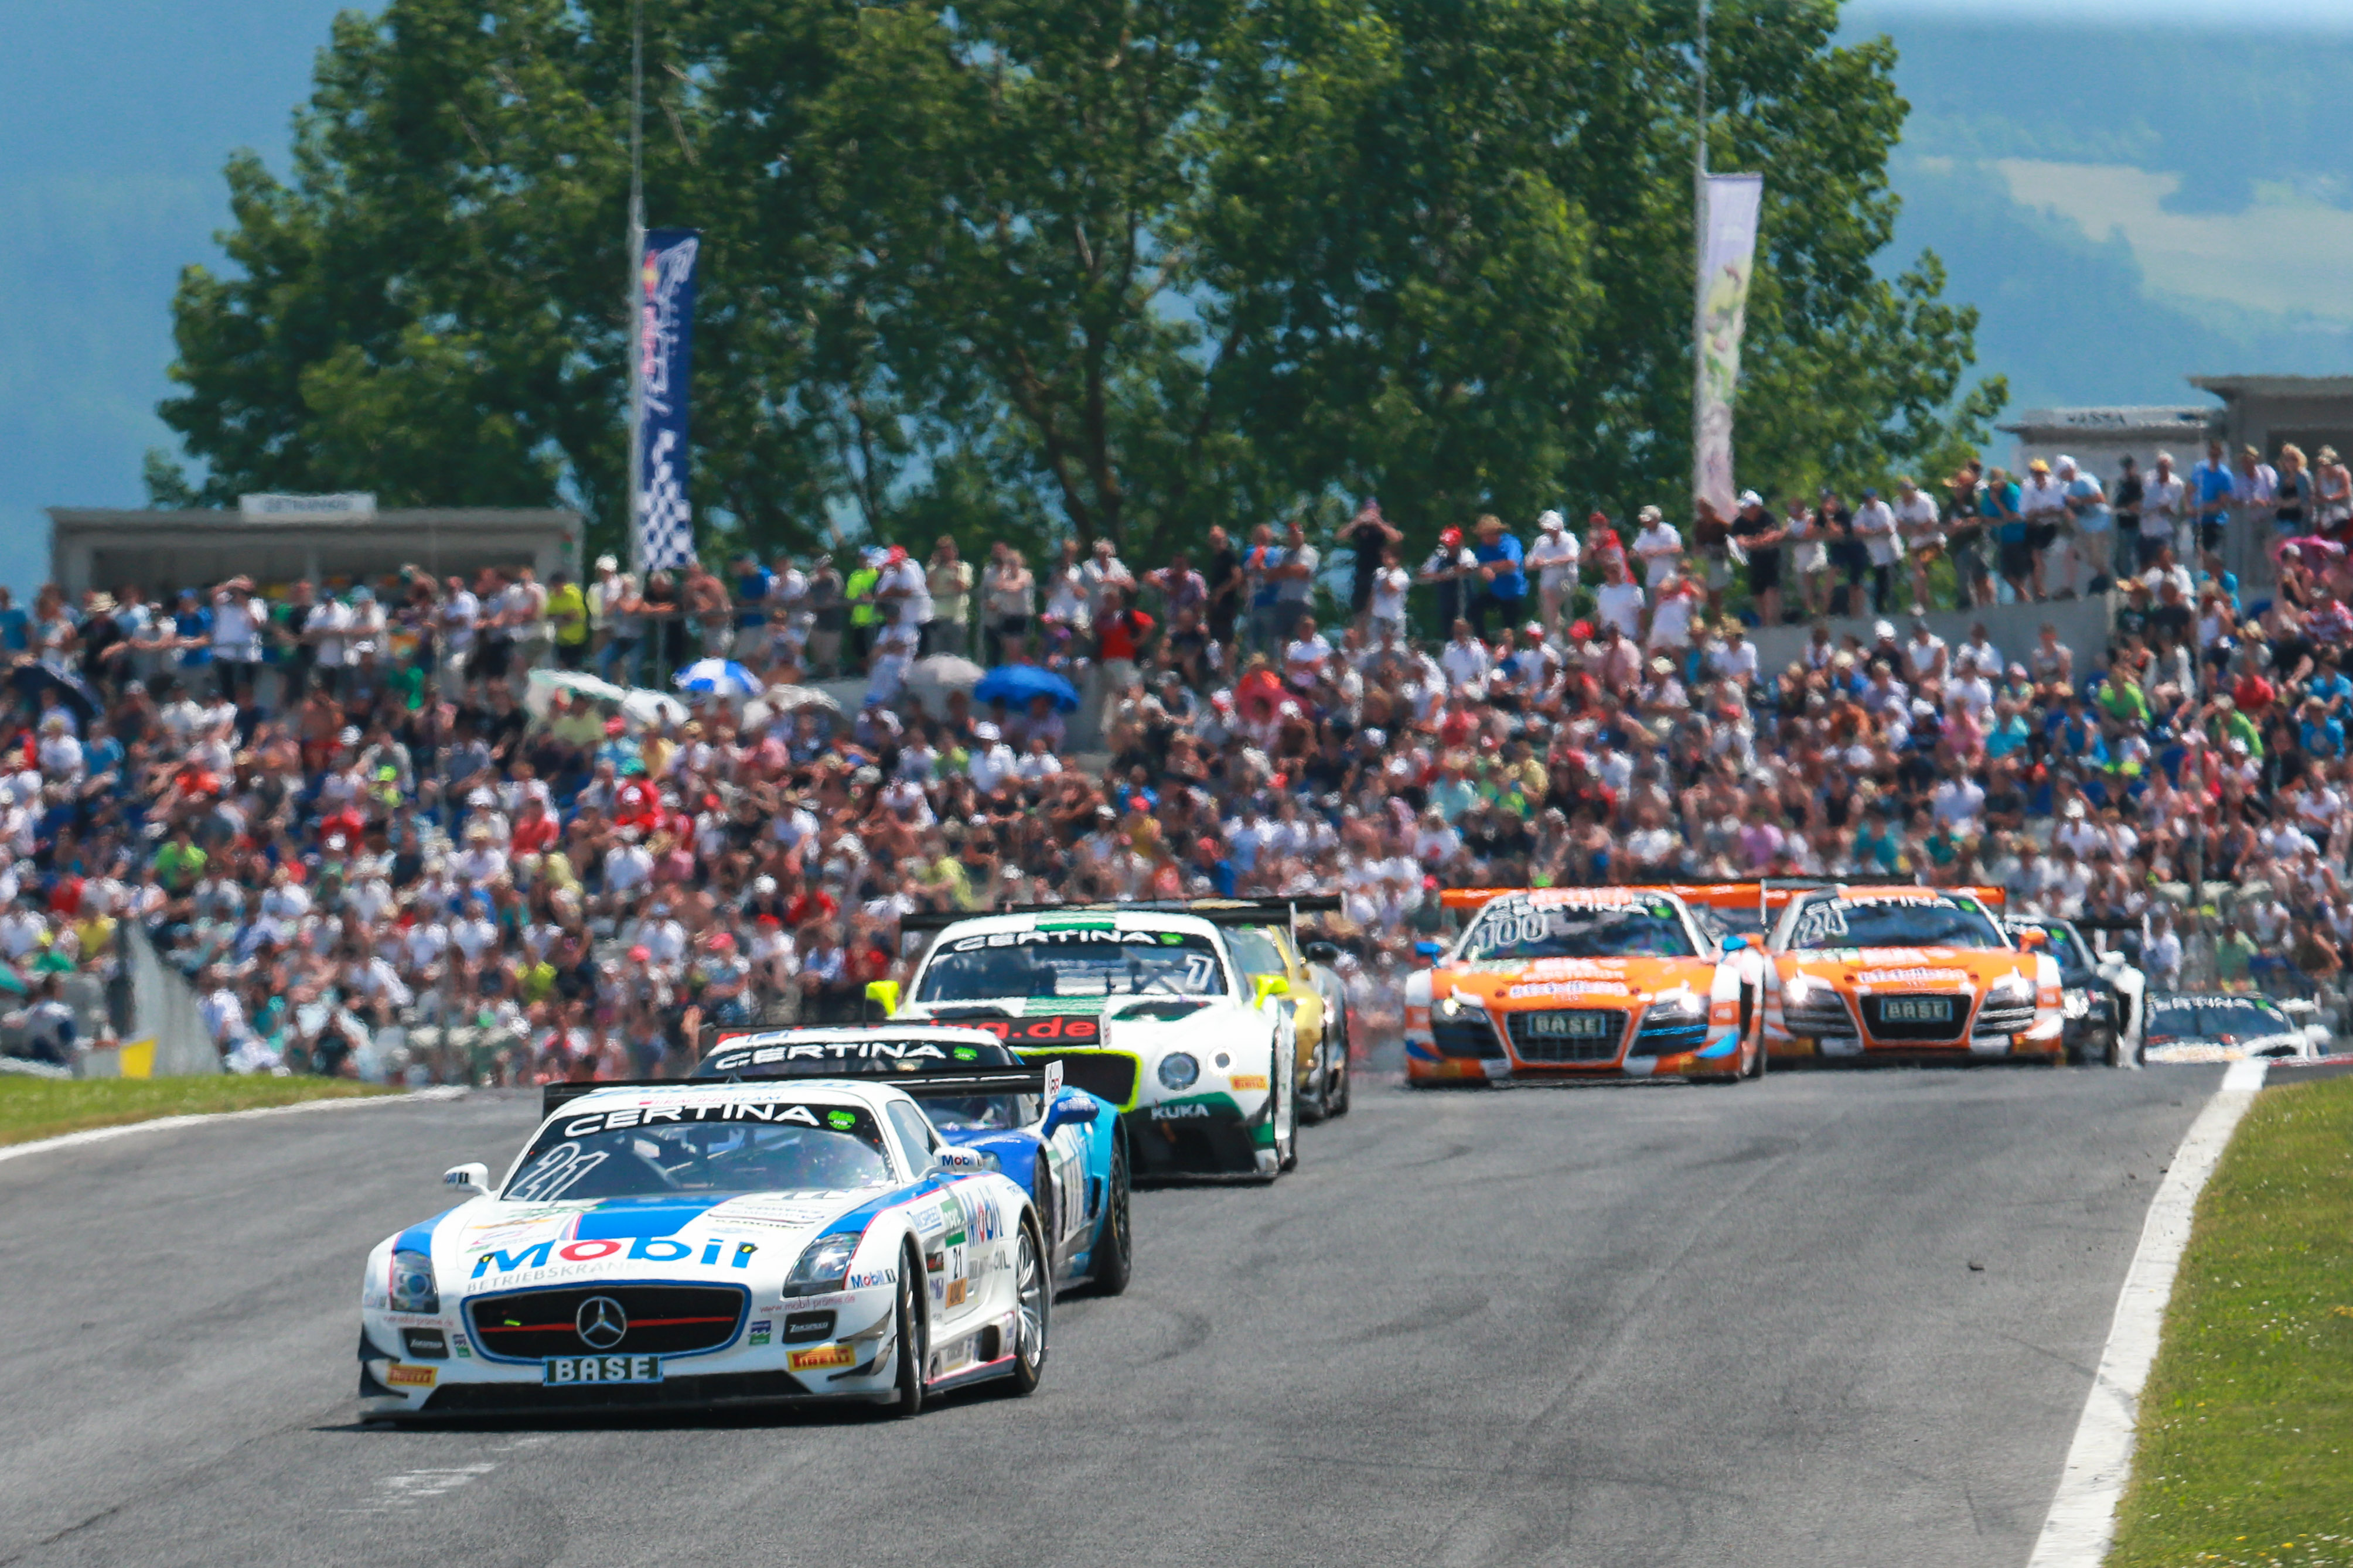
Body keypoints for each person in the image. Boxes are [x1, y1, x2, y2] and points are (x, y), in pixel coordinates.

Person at [1343, 501, 1402, 634]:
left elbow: (1396, 538)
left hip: (1379, 573)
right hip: (1362, 572)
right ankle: (1361, 638)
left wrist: (1378, 522)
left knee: (1376, 608)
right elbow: (1340, 536)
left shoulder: (1381, 528)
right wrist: (1356, 522)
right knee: (1360, 612)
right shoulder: (1360, 528)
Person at [2057, 455, 2111, 597]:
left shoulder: (2086, 480)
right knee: (2070, 554)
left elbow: (2101, 498)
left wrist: (2079, 501)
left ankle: (2104, 585)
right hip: (2083, 528)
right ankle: (2068, 588)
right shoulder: (2067, 488)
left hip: (2099, 526)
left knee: (2098, 560)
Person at [1728, 491, 1782, 627]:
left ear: (1756, 507)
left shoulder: (1767, 517)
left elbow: (1772, 536)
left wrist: (1753, 541)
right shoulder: (1740, 522)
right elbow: (1740, 540)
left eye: (1748, 507)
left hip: (1771, 559)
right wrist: (1756, 541)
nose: (1745, 510)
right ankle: (1764, 623)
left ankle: (1773, 622)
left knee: (1771, 590)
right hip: (1754, 560)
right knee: (1758, 592)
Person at [1467, 514, 1525, 640]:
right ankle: (1482, 640)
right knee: (1474, 607)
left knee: (1510, 628)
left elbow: (1512, 563)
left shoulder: (1511, 543)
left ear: (1494, 533)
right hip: (1496, 592)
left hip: (1513, 592)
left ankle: (1511, 648)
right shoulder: (1484, 548)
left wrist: (1490, 567)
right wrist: (1484, 570)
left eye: (1485, 535)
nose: (1483, 538)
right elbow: (1479, 566)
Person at [1525, 511, 1580, 641]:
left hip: (1566, 580)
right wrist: (1536, 563)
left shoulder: (1569, 540)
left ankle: (1558, 634)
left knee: (1552, 598)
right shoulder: (1542, 541)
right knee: (1548, 601)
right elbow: (1529, 563)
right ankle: (1553, 635)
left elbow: (1572, 557)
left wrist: (1548, 562)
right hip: (1547, 582)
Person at [2017, 459, 2066, 602]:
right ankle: (2038, 590)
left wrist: (2040, 512)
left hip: (2050, 526)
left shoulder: (2055, 486)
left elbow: (2058, 509)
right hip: (2034, 526)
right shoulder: (2028, 487)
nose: (2039, 477)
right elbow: (2026, 512)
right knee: (2033, 559)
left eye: (2042, 473)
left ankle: (2040, 589)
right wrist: (2043, 512)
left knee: (2037, 555)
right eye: (2036, 474)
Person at [1417, 527, 1476, 640]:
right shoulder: (1439, 556)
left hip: (1463, 600)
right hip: (1446, 601)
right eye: (1447, 544)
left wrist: (1449, 573)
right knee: (1447, 632)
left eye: (1453, 544)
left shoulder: (1466, 554)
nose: (1450, 547)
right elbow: (1422, 575)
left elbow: (1468, 567)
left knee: (1465, 630)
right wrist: (1439, 576)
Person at [1894, 477, 1942, 612]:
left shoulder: (1925, 502)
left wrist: (1912, 529)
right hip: (1916, 544)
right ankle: (1924, 604)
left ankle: (1919, 603)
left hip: (1934, 543)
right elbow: (1899, 527)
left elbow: (1929, 526)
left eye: (1908, 491)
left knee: (1918, 568)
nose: (1905, 495)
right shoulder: (1899, 504)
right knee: (1918, 573)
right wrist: (1915, 529)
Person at [982, 543, 1034, 665]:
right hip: (1007, 616)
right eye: (1009, 562)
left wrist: (1004, 585)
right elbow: (998, 589)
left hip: (1021, 617)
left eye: (1014, 562)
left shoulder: (1026, 574)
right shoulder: (1005, 575)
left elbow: (1017, 587)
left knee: (1018, 650)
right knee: (1008, 651)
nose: (1012, 565)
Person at [1851, 487, 1898, 615]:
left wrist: (1870, 532)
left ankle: (1893, 609)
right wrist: (1874, 532)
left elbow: (1888, 528)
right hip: (1876, 555)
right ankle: (1880, 610)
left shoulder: (1883, 508)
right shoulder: (1862, 511)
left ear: (1875, 498)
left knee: (1891, 583)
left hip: (1891, 552)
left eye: (1870, 498)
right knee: (1880, 584)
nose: (1868, 501)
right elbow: (1857, 530)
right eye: (1865, 499)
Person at [925, 537, 974, 657]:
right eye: (942, 551)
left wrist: (955, 573)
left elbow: (962, 588)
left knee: (956, 655)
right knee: (936, 655)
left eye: (948, 551)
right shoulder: (933, 569)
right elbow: (929, 588)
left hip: (957, 618)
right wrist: (936, 569)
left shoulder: (963, 568)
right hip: (938, 616)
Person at [546, 570, 589, 671]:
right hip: (561, 638)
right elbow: (548, 615)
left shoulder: (572, 594)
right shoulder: (552, 596)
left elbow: (574, 615)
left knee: (574, 669)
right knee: (561, 667)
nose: (555, 589)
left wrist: (559, 617)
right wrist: (563, 617)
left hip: (576, 638)